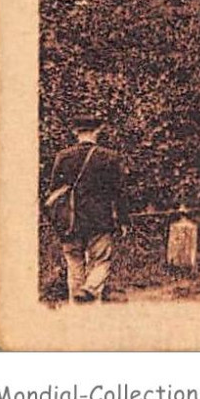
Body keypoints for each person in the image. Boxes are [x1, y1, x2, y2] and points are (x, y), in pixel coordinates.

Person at [45, 114, 130, 303]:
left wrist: (57, 219)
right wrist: (123, 220)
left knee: (74, 264)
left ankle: (78, 309)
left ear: (75, 132)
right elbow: (118, 193)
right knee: (100, 261)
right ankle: (90, 290)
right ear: (97, 131)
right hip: (100, 220)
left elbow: (53, 193)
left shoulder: (63, 157)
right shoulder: (110, 157)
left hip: (70, 221)